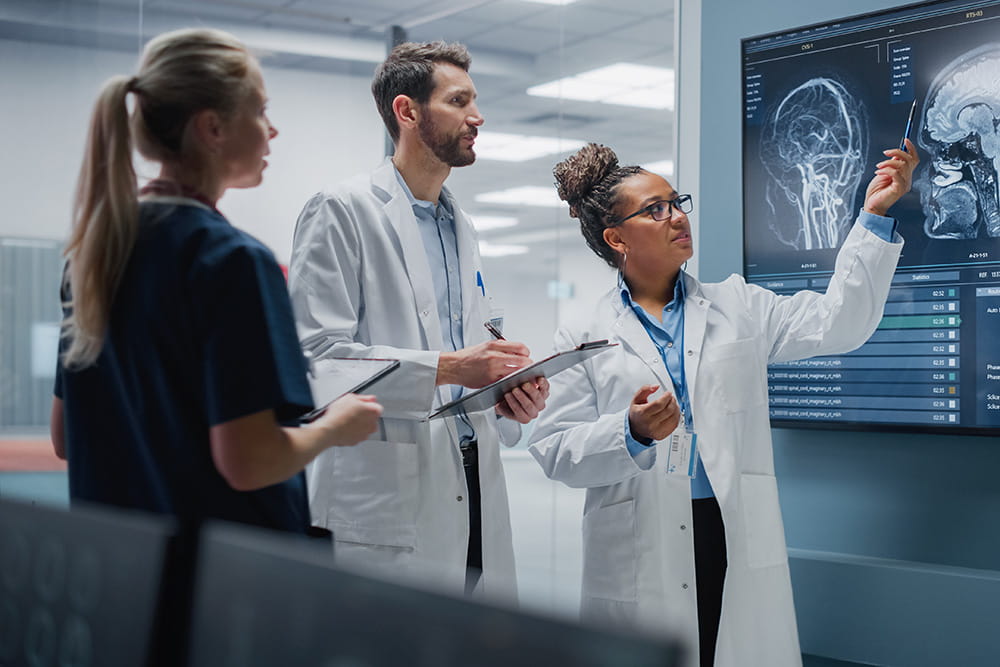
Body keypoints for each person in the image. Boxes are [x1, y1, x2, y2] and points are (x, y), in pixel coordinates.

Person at [528, 141, 918, 667]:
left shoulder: (739, 306)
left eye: (677, 202)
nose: (677, 217)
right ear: (616, 238)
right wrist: (631, 431)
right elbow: (554, 448)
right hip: (643, 535)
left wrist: (873, 214)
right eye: (655, 209)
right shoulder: (583, 332)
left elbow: (839, 322)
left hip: (728, 525)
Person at [50, 28, 382, 535]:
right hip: (216, 577)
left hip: (123, 566)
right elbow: (249, 461)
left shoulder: (95, 255)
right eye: (259, 111)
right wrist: (336, 427)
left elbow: (67, 439)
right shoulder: (232, 262)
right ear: (212, 128)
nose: (272, 131)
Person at [288, 41, 549, 597]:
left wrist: (507, 390)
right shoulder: (341, 209)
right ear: (407, 112)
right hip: (387, 496)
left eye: (475, 102)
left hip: (472, 479)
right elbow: (315, 360)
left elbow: (471, 349)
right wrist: (452, 367)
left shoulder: (463, 227)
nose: (477, 117)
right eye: (459, 102)